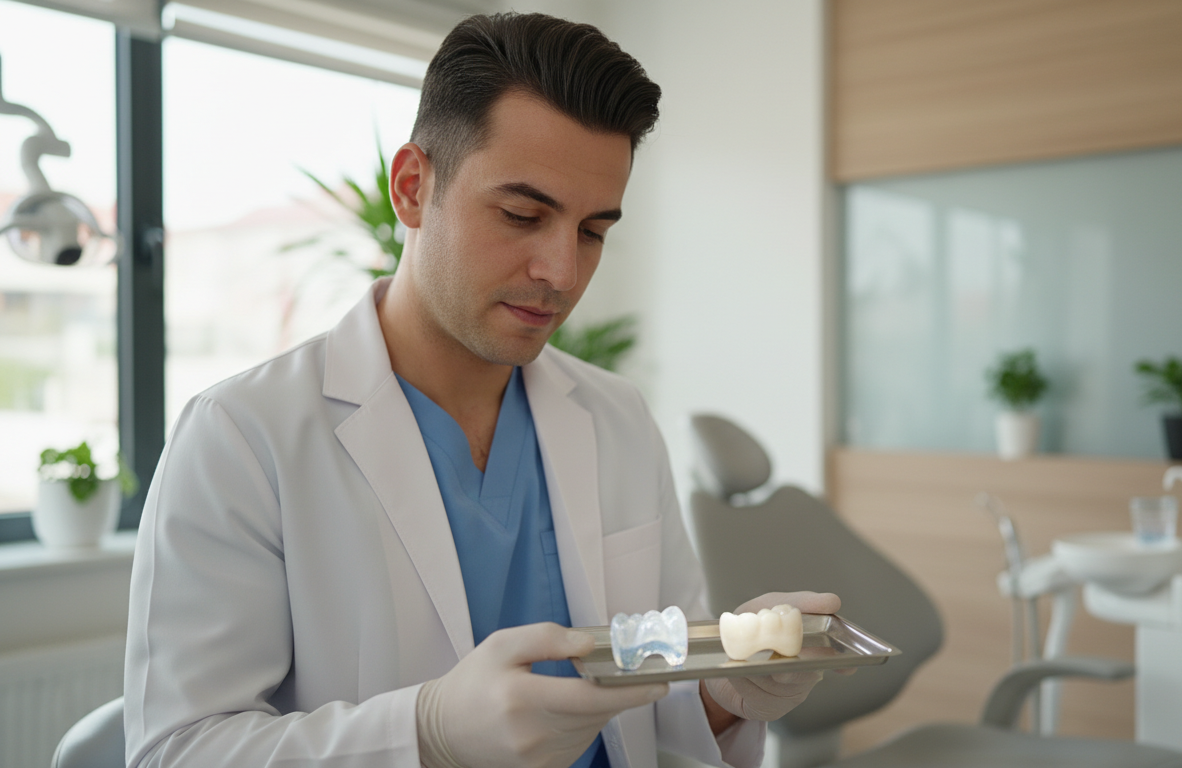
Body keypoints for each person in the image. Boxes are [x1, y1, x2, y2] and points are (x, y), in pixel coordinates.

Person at [124, 12, 839, 768]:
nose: (562, 273)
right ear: (410, 188)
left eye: (592, 231)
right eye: (522, 215)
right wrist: (424, 733)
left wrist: (728, 694)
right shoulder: (243, 437)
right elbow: (178, 749)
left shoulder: (617, 418)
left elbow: (655, 703)